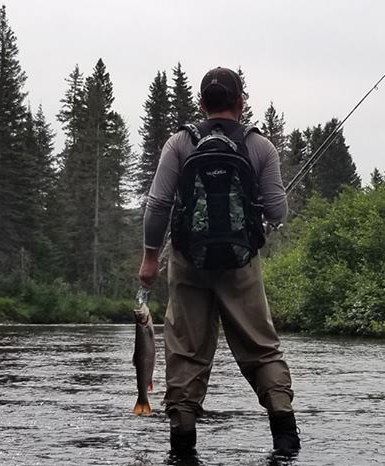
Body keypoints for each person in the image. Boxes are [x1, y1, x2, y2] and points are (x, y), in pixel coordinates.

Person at [138, 66, 300, 456]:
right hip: (241, 265)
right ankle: (285, 437)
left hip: (188, 262)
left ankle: (182, 442)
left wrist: (149, 258)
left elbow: (158, 205)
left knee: (186, 352)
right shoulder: (259, 146)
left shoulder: (180, 142)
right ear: (241, 102)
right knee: (261, 349)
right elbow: (278, 211)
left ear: (201, 103)